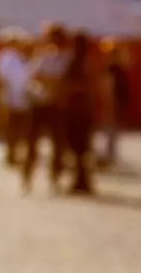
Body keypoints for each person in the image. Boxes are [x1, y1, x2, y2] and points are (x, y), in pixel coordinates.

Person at [21, 24, 69, 193]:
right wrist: (50, 81)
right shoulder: (42, 56)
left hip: (55, 104)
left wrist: (50, 80)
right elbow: (34, 76)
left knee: (57, 144)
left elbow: (62, 79)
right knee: (32, 142)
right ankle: (26, 177)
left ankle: (55, 178)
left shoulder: (65, 57)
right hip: (40, 103)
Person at [54, 32, 100, 195]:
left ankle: (82, 180)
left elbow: (88, 85)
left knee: (78, 147)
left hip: (77, 111)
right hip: (80, 110)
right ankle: (81, 179)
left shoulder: (80, 63)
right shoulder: (82, 62)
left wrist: (68, 89)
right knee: (79, 148)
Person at [0, 28, 32, 167]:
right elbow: (3, 79)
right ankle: (11, 154)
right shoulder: (6, 57)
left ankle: (16, 153)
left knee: (17, 127)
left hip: (21, 97)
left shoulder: (18, 57)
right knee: (12, 127)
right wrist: (4, 98)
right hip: (12, 97)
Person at [97, 39, 130, 169]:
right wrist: (110, 103)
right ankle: (106, 156)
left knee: (113, 131)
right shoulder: (111, 68)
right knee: (110, 131)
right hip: (113, 103)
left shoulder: (118, 68)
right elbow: (108, 87)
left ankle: (109, 156)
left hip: (118, 102)